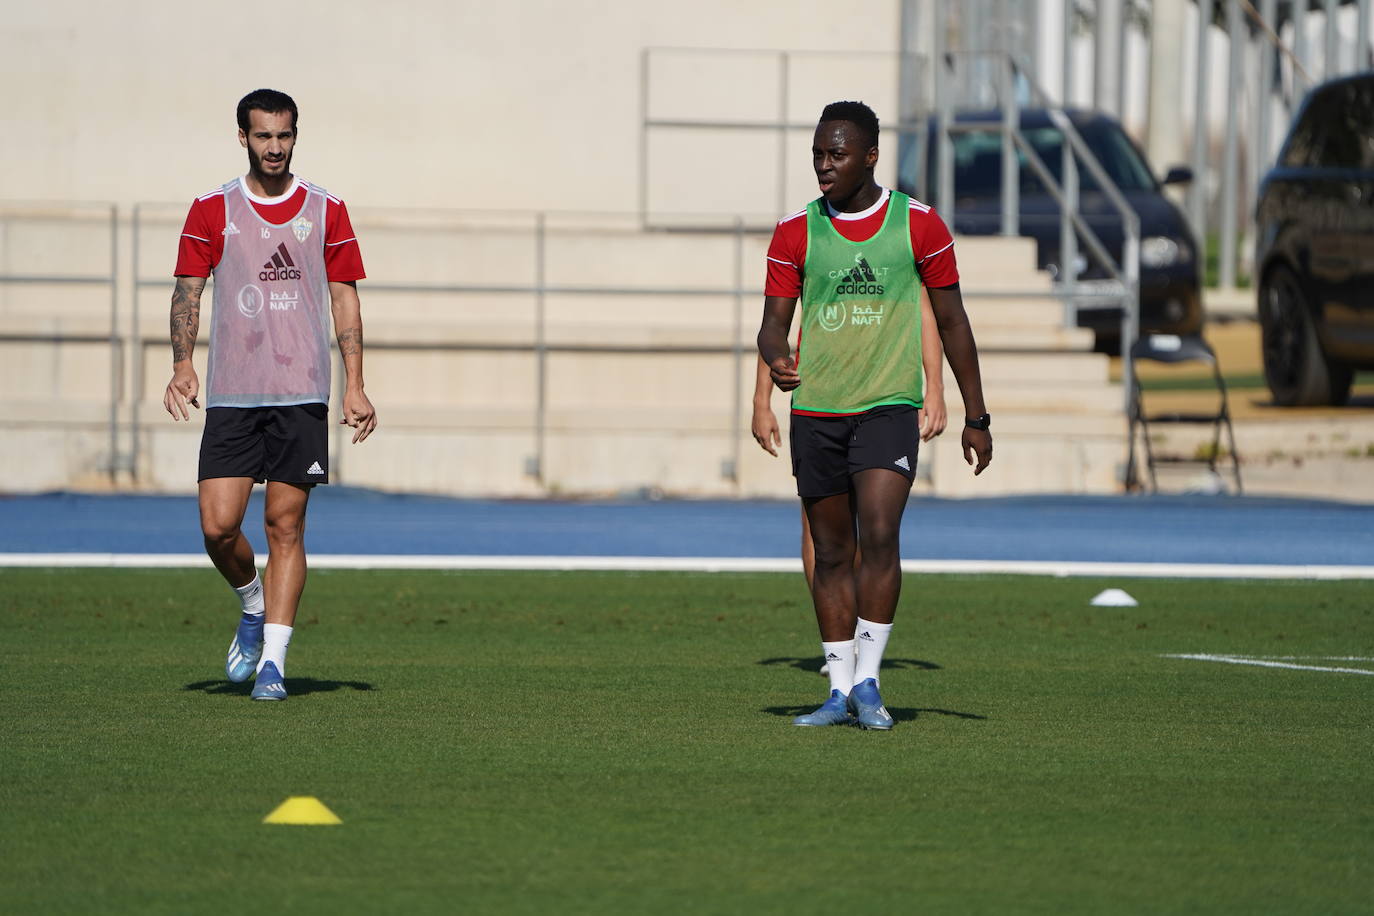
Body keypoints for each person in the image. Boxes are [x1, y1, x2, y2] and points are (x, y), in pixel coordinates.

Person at [756, 100, 992, 730]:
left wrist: (977, 414)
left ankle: (868, 682)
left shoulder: (919, 224)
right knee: (833, 551)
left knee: (881, 533)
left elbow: (953, 320)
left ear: (870, 157)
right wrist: (776, 361)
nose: (823, 165)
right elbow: (772, 325)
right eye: (817, 154)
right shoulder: (794, 231)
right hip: (817, 411)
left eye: (836, 154)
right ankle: (837, 690)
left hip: (889, 406)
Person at [163, 88, 377, 701]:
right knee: (217, 527)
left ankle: (274, 665)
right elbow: (187, 292)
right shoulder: (211, 209)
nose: (275, 147)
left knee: (285, 526)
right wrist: (182, 364)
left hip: (300, 391)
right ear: (244, 138)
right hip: (233, 392)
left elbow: (344, 299)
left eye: (284, 135)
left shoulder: (327, 209)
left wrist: (356, 385)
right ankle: (252, 603)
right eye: (263, 135)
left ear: (295, 136)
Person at [750, 305, 947, 671]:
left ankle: (861, 638)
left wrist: (934, 386)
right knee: (823, 533)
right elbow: (777, 324)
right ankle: (840, 642)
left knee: (874, 528)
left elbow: (926, 312)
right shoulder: (812, 265)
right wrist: (761, 401)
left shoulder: (896, 269)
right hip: (819, 401)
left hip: (880, 399)